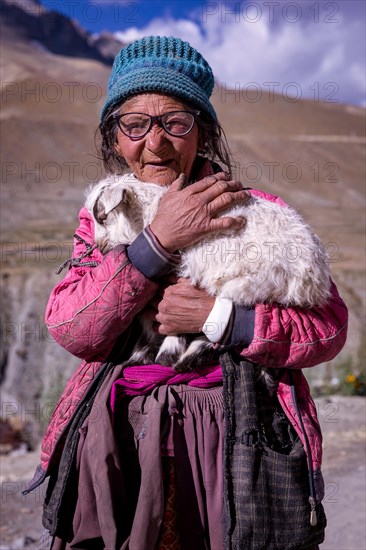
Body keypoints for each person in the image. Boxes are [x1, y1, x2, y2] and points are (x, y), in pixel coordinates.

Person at [28, 36, 348, 550]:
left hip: (231, 438)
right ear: (114, 138)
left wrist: (222, 318)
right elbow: (72, 327)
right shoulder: (108, 214)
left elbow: (328, 330)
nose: (154, 143)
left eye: (175, 122)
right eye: (134, 125)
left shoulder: (260, 218)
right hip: (118, 437)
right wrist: (157, 244)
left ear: (203, 131)